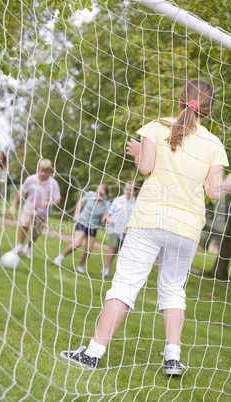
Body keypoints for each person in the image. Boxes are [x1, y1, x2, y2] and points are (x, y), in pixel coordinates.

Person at [60, 80, 231, 375]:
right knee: (173, 289)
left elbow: (145, 167)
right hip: (187, 229)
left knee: (125, 284)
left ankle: (93, 353)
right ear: (210, 109)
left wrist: (139, 149)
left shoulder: (156, 126)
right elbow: (215, 192)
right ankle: (173, 359)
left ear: (179, 100)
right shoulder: (214, 144)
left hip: (149, 220)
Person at [8, 159, 61, 258]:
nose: (43, 173)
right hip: (29, 206)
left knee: (36, 233)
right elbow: (21, 191)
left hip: (42, 212)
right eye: (42, 171)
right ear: (38, 169)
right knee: (24, 223)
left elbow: (57, 200)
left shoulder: (53, 183)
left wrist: (46, 203)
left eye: (46, 172)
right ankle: (19, 246)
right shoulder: (31, 179)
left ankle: (28, 248)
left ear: (49, 172)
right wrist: (13, 205)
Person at [53, 184, 110, 274]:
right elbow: (80, 202)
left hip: (93, 227)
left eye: (101, 194)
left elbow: (103, 219)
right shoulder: (90, 194)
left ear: (105, 195)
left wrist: (106, 219)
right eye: (97, 192)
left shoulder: (106, 204)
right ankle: (60, 257)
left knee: (88, 250)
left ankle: (80, 266)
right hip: (82, 222)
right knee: (76, 244)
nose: (98, 195)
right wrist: (76, 213)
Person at [100, 180, 137, 278]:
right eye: (126, 189)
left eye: (130, 190)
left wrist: (128, 228)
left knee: (116, 249)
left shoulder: (135, 204)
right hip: (113, 227)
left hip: (124, 232)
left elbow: (134, 218)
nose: (127, 192)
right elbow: (109, 212)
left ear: (135, 191)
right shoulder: (118, 200)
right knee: (113, 245)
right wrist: (109, 219)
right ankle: (106, 269)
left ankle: (106, 266)